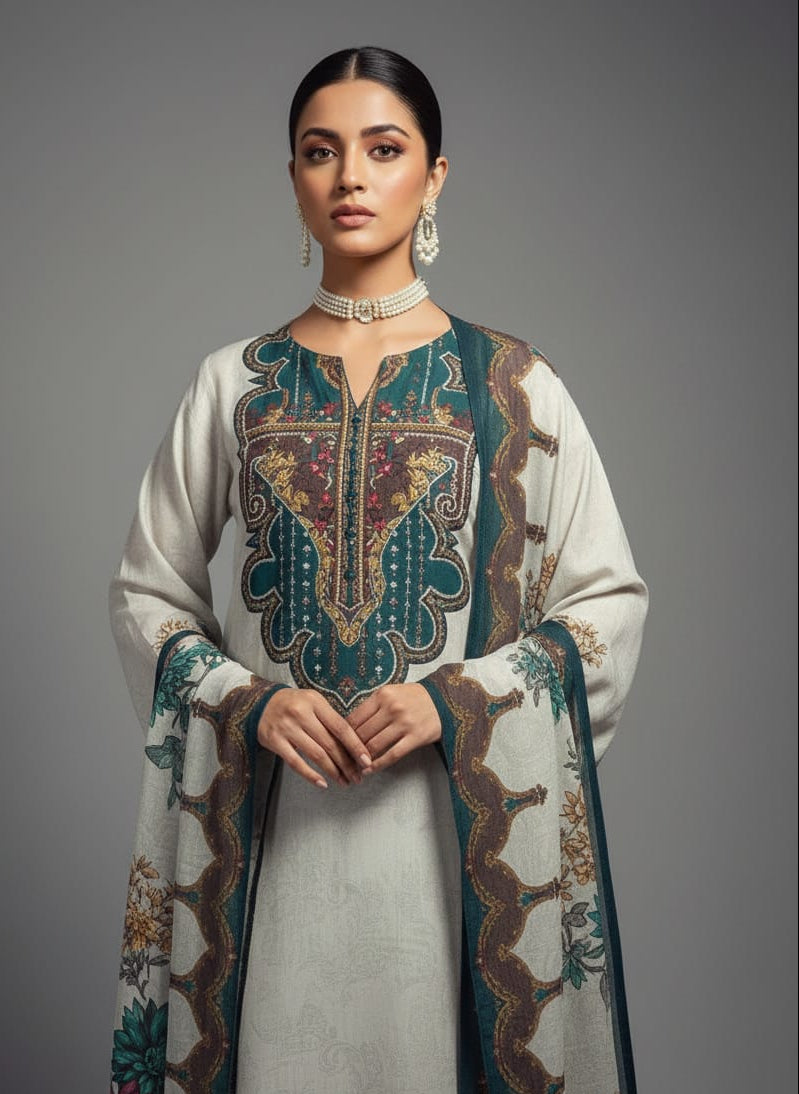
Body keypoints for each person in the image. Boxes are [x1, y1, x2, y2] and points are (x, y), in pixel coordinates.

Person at [109, 45, 648, 1094]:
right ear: (294, 179)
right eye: (321, 152)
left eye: (383, 149)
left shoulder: (515, 387)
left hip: (452, 851)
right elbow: (147, 593)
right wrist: (248, 702)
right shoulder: (233, 385)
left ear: (434, 175)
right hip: (273, 840)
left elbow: (604, 608)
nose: (350, 176)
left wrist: (456, 701)